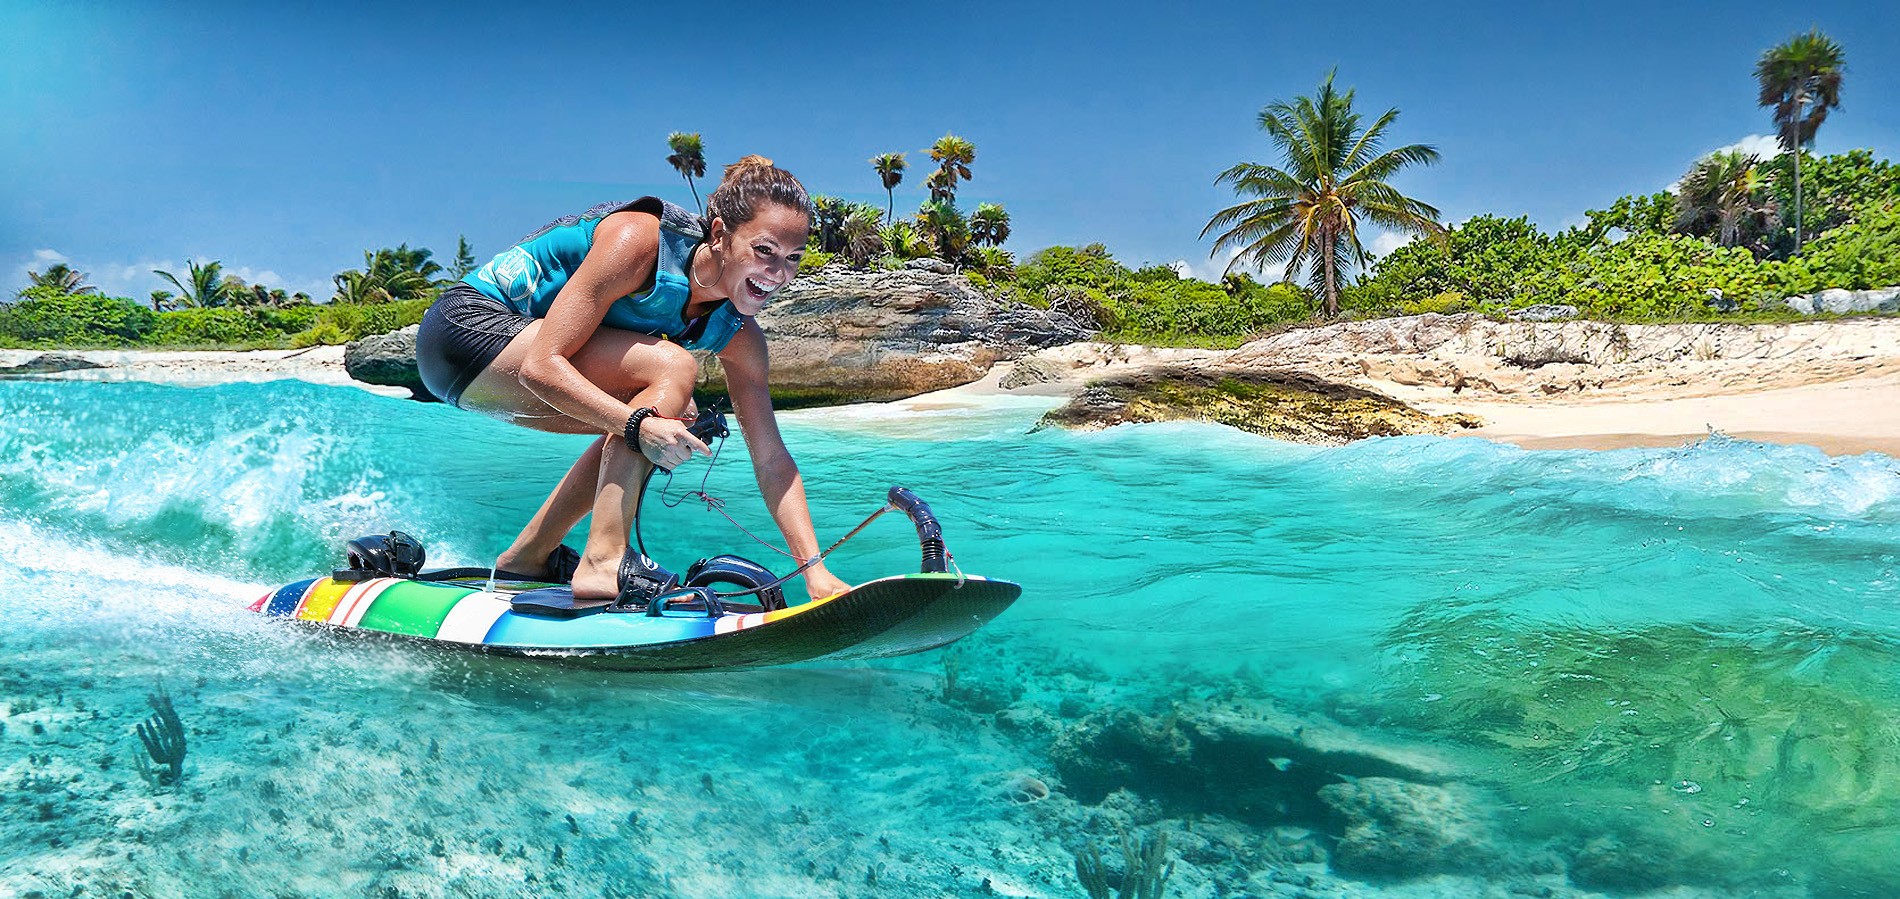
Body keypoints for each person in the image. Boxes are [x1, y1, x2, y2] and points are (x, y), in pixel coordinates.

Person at [415, 155, 851, 605]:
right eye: (764, 251)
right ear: (719, 235)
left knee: (676, 410)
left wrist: (814, 572)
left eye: (792, 259)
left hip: (499, 376)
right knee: (673, 369)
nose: (777, 274)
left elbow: (771, 458)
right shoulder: (640, 240)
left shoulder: (740, 336)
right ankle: (604, 560)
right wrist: (636, 426)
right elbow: (542, 367)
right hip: (462, 332)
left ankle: (527, 557)